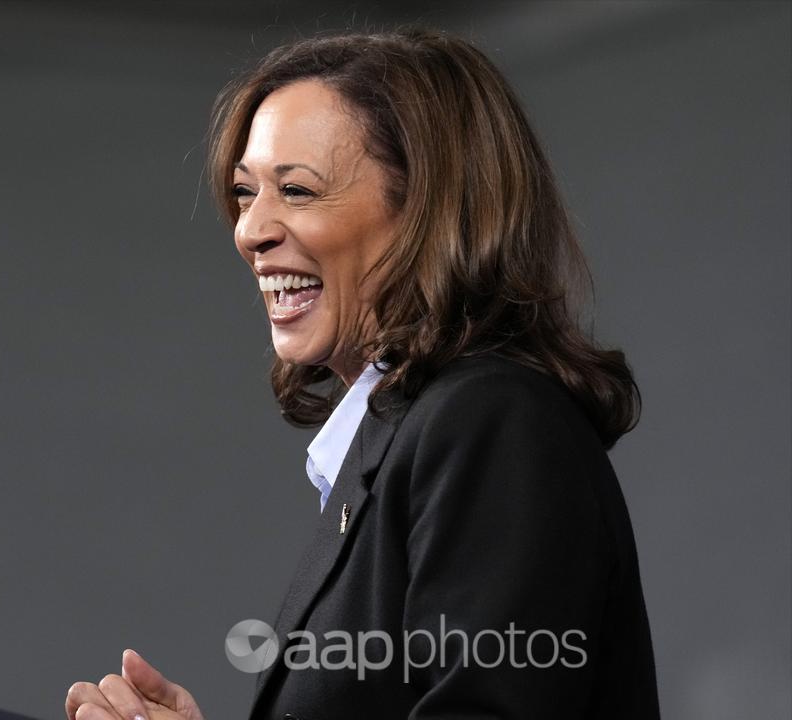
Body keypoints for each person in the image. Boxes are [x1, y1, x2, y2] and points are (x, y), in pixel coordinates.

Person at [65, 28, 659, 719]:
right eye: (244, 191)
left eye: (296, 190)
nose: (249, 229)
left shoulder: (491, 423)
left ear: (427, 212)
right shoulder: (411, 434)